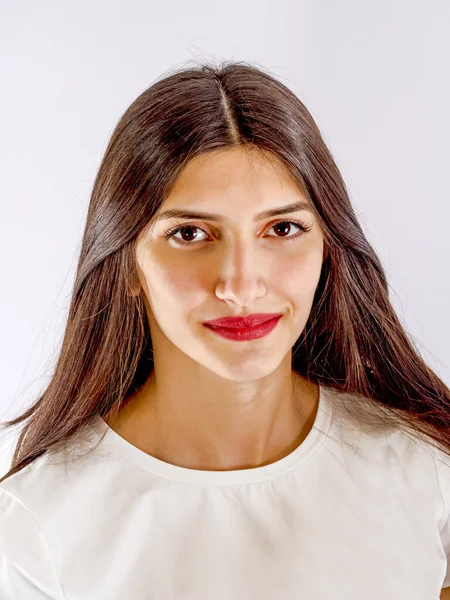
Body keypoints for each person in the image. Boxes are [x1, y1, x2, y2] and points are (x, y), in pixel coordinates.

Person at [0, 60, 449, 600]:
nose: (240, 284)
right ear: (125, 265)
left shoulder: (427, 475)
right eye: (190, 233)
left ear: (328, 249)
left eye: (282, 229)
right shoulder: (35, 526)